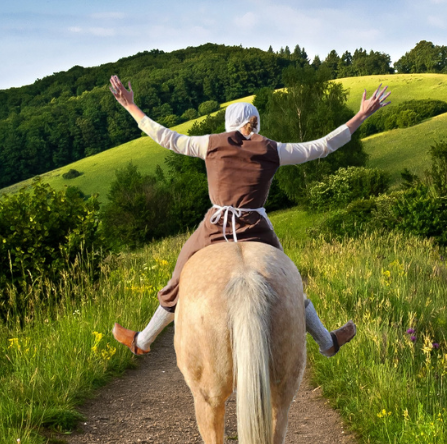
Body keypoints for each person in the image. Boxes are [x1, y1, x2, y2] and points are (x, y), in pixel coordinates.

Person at [108, 74, 390, 358]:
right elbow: (322, 146)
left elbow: (165, 137)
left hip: (215, 227)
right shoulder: (272, 149)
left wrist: (130, 106)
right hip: (257, 228)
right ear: (257, 122)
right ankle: (326, 342)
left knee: (178, 279)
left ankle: (143, 340)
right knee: (291, 284)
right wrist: (362, 115)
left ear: (228, 123)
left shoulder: (210, 144)